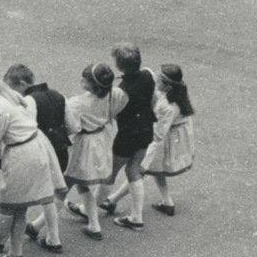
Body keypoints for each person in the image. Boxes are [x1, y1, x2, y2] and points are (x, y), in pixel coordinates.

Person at [0, 70, 67, 257]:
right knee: (20, 206)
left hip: (22, 153)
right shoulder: (6, 97)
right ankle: (15, 254)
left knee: (8, 206)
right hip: (35, 146)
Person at [60, 62, 126, 241]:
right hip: (101, 138)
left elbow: (72, 127)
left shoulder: (76, 103)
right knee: (81, 183)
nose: (82, 80)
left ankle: (37, 226)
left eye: (85, 79)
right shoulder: (115, 94)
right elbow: (121, 103)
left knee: (65, 185)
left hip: (84, 144)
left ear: (93, 85)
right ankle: (93, 224)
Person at [99, 44, 156, 228]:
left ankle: (89, 208)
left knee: (110, 173)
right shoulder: (148, 75)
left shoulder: (120, 90)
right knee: (133, 170)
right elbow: (153, 99)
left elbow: (112, 114)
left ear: (119, 66)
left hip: (127, 136)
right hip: (146, 130)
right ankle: (136, 216)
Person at [142, 64, 194, 215]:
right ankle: (167, 202)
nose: (156, 82)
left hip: (167, 139)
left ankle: (112, 200)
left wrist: (145, 145)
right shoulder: (175, 94)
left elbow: (158, 134)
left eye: (159, 80)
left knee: (140, 169)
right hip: (172, 135)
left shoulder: (168, 106)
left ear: (168, 86)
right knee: (157, 170)